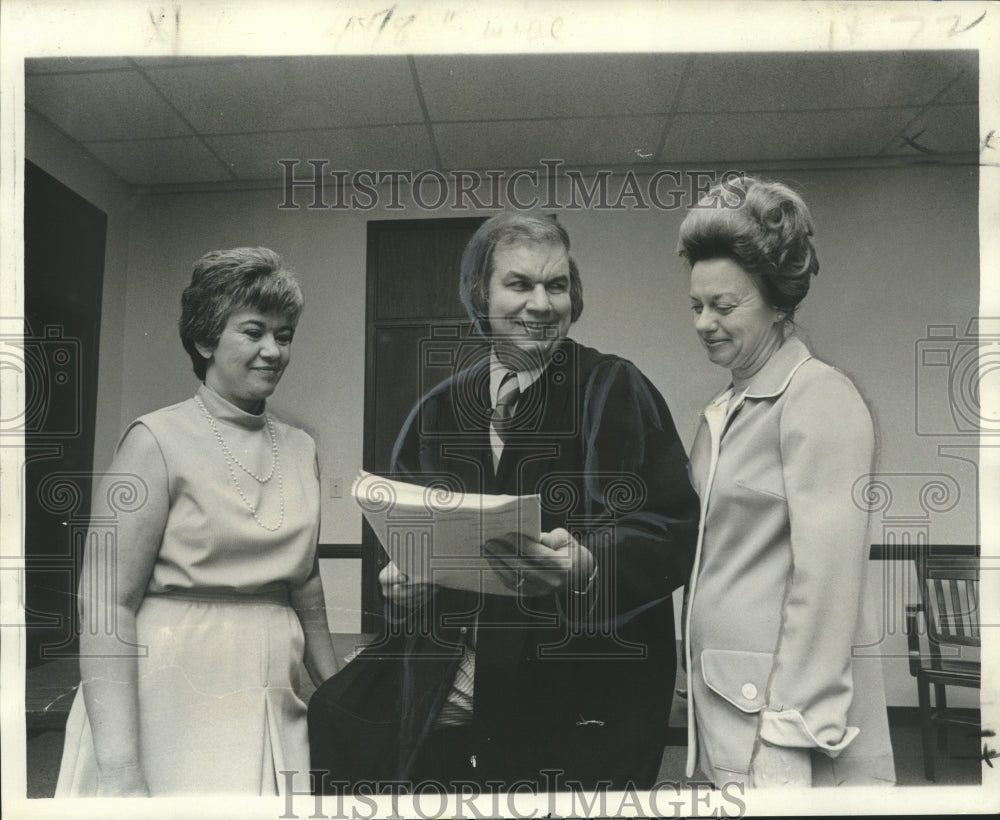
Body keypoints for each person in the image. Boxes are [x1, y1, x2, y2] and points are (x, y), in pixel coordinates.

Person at [309, 212, 699, 792]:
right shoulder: (440, 410)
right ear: (479, 294)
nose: (541, 304)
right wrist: (408, 582)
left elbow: (672, 524)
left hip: (577, 679)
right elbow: (404, 539)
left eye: (557, 285)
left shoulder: (614, 389)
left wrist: (588, 562)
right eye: (519, 284)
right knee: (338, 720)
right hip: (462, 668)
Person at [56, 247, 339, 796]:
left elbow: (305, 587)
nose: (273, 350)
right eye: (254, 332)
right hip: (169, 699)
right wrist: (119, 769)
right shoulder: (152, 441)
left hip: (271, 691)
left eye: (284, 336)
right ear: (205, 339)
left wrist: (341, 697)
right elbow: (105, 605)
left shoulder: (302, 447)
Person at [678, 177, 896, 788]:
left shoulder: (818, 396)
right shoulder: (724, 411)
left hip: (780, 723)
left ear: (777, 301)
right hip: (725, 703)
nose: (704, 322)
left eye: (725, 306)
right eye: (696, 305)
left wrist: (791, 730)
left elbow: (827, 584)